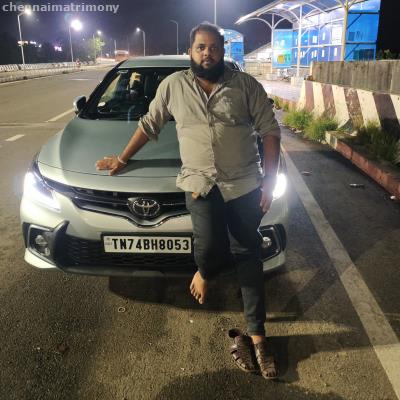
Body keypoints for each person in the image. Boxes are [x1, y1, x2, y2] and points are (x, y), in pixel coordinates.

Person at [95, 22, 281, 379]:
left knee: (248, 254)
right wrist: (122, 159)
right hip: (200, 183)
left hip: (244, 184)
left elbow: (270, 132)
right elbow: (150, 124)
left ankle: (257, 336)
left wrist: (270, 183)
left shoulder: (246, 86)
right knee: (208, 247)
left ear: (222, 51)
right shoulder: (173, 86)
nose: (207, 53)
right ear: (190, 51)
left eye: (214, 47)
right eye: (200, 47)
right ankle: (205, 271)